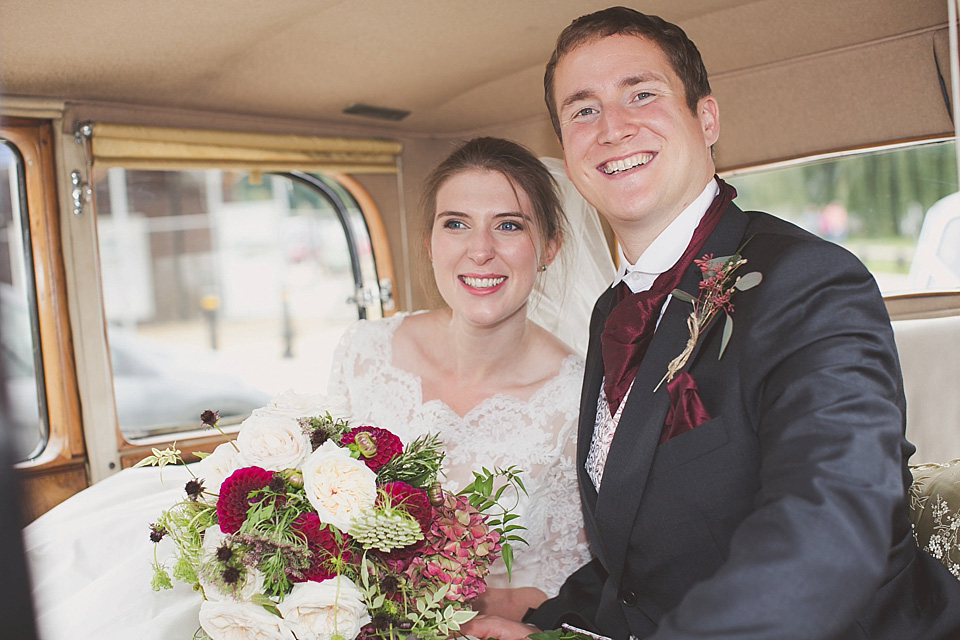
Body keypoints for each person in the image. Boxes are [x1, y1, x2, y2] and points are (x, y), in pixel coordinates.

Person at [463, 7, 960, 640]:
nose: (612, 128)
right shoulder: (613, 312)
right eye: (582, 110)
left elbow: (831, 532)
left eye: (641, 94)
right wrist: (540, 618)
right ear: (566, 147)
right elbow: (645, 559)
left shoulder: (809, 281)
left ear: (707, 119)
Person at [327, 137, 595, 620]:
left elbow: (568, 578)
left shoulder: (580, 397)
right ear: (430, 244)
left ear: (549, 247)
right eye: (456, 224)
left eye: (508, 226)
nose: (480, 251)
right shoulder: (364, 352)